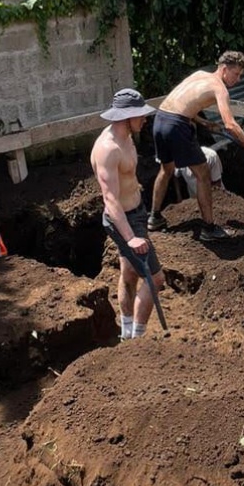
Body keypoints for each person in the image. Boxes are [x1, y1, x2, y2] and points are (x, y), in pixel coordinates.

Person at [148, 51, 244, 242]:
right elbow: (230, 124)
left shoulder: (198, 75)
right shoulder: (220, 89)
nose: (238, 79)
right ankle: (208, 228)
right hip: (177, 125)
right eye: (236, 74)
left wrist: (204, 123)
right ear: (224, 69)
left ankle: (154, 218)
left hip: (161, 118)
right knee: (203, 174)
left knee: (166, 169)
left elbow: (180, 104)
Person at [91, 88, 166, 340]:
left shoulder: (127, 137)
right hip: (123, 220)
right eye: (140, 116)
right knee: (155, 278)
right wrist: (130, 237)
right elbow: (111, 200)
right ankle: (138, 339)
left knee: (129, 272)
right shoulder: (108, 149)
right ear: (126, 117)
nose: (144, 120)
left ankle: (126, 333)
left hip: (137, 211)